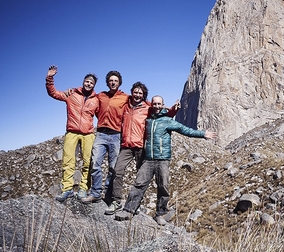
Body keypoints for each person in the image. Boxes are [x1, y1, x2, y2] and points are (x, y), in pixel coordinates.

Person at [114, 95, 216, 225]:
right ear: (152, 105)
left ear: (162, 105)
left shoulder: (168, 121)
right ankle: (129, 210)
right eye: (154, 104)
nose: (156, 106)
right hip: (149, 159)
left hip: (163, 159)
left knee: (163, 187)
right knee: (139, 184)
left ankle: (160, 214)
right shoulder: (148, 120)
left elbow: (185, 130)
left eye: (159, 104)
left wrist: (203, 134)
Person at [104, 83, 180, 215]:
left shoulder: (148, 107)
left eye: (140, 93)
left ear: (144, 95)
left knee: (141, 178)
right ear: (132, 92)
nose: (138, 95)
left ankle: (136, 205)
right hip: (126, 146)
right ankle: (116, 201)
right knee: (117, 171)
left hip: (140, 147)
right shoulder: (126, 106)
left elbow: (162, 111)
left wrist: (174, 109)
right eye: (136, 92)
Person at [45, 65, 99, 201]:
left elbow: (103, 115)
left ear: (94, 85)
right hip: (72, 132)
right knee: (68, 161)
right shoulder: (71, 94)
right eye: (87, 81)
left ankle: (83, 189)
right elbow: (54, 93)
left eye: (91, 83)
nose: (89, 84)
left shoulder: (96, 100)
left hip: (88, 134)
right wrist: (50, 77)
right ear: (83, 81)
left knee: (88, 162)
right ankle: (67, 189)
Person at [81, 71, 129, 204]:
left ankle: (108, 195)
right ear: (107, 82)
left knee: (113, 167)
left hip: (116, 135)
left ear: (119, 83)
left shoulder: (125, 97)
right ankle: (96, 193)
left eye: (116, 81)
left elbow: (142, 103)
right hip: (101, 134)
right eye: (111, 81)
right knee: (95, 163)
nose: (113, 83)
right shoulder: (100, 96)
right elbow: (87, 97)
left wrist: (167, 109)